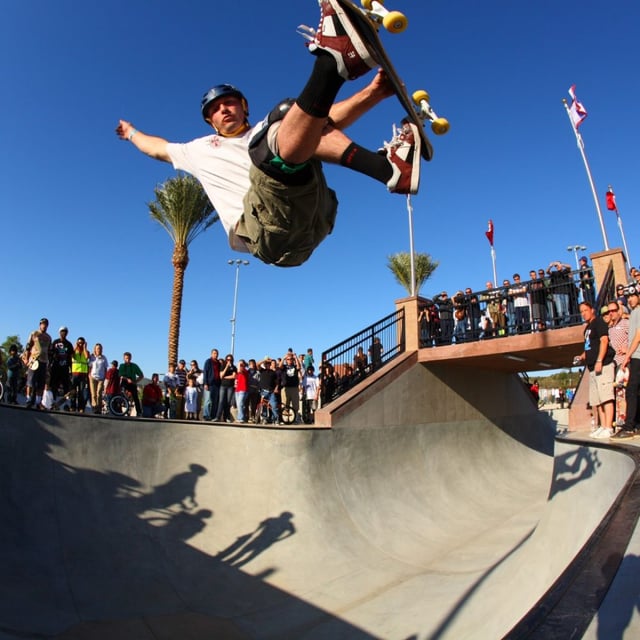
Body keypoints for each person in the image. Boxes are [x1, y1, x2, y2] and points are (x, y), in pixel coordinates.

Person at [116, 1, 421, 267]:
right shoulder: (198, 149)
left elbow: (324, 121)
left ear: (244, 107)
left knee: (298, 125)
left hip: (311, 217)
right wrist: (132, 133)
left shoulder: (273, 132)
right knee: (279, 132)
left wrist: (373, 93)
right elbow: (157, 148)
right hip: (265, 233)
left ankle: (388, 170)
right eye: (215, 110)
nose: (223, 110)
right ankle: (332, 63)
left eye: (229, 103)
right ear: (210, 122)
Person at [575, 301, 616, 439]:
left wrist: (599, 360)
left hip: (603, 364)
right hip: (591, 367)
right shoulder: (587, 329)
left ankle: (609, 427)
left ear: (592, 310)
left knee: (606, 397)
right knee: (597, 400)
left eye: (585, 310)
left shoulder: (599, 323)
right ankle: (603, 426)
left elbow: (604, 341)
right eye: (581, 311)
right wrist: (581, 356)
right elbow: (589, 347)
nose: (583, 313)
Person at [614, 285, 640, 439]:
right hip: (635, 354)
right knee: (636, 391)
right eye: (628, 297)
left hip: (637, 355)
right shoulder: (634, 313)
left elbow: (638, 336)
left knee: (631, 390)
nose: (629, 300)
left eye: (632, 296)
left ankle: (629, 426)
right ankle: (636, 424)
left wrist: (627, 355)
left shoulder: (638, 311)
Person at [49, 326, 73, 398]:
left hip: (65, 367)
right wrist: (49, 364)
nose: (63, 333)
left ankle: (65, 402)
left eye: (65, 332)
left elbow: (71, 357)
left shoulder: (69, 344)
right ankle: (52, 399)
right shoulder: (55, 342)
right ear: (59, 333)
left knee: (65, 385)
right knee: (53, 383)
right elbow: (50, 353)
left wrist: (71, 368)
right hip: (55, 366)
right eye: (62, 332)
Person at [119, 352, 144, 416]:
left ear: (131, 358)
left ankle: (139, 412)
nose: (127, 360)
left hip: (132, 383)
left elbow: (141, 375)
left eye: (129, 358)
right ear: (124, 358)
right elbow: (121, 375)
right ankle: (120, 407)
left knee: (136, 397)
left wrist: (135, 381)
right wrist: (127, 379)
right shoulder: (122, 366)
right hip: (125, 382)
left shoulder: (134, 366)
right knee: (121, 393)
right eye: (126, 358)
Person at [70, 337, 90, 412]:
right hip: (75, 373)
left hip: (83, 374)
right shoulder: (75, 351)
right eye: (79, 343)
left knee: (81, 392)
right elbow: (71, 356)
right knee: (73, 391)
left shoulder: (86, 351)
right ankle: (73, 406)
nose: (80, 344)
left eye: (82, 343)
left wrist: (85, 348)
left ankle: (81, 407)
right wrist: (76, 346)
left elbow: (87, 357)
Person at [257, 357, 280, 424]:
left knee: (274, 405)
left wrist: (276, 388)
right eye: (266, 364)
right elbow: (257, 364)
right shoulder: (262, 371)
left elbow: (277, 382)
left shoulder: (273, 373)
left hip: (271, 392)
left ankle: (276, 419)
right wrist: (265, 360)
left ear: (270, 365)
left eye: (268, 364)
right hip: (263, 391)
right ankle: (264, 419)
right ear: (264, 365)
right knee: (264, 405)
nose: (267, 365)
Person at [215, 354, 237, 422]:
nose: (229, 361)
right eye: (227, 359)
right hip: (223, 386)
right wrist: (226, 367)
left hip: (230, 386)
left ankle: (227, 417)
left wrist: (225, 377)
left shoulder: (234, 367)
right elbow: (221, 375)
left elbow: (234, 376)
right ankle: (218, 417)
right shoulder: (223, 366)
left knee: (228, 402)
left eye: (230, 360)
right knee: (221, 401)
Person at [88, 343, 109, 414]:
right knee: (93, 394)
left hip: (101, 378)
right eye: (97, 348)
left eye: (100, 348)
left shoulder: (104, 358)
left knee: (99, 393)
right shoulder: (92, 357)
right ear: (95, 349)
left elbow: (106, 368)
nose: (99, 350)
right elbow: (89, 366)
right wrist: (89, 375)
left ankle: (99, 408)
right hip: (93, 377)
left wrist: (105, 377)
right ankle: (94, 407)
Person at [202, 349, 222, 421]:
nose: (215, 355)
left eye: (216, 353)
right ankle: (206, 415)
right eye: (214, 353)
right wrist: (205, 383)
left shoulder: (219, 363)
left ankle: (213, 416)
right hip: (209, 384)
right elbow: (205, 372)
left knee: (215, 401)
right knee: (207, 400)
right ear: (211, 354)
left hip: (217, 385)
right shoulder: (208, 362)